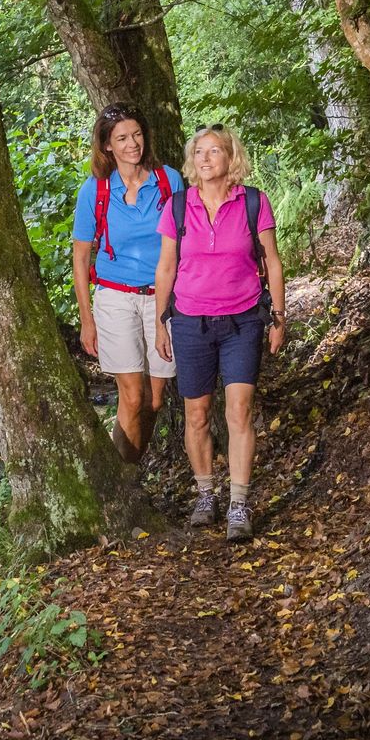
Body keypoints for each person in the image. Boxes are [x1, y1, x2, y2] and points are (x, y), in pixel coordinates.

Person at [154, 124, 286, 542]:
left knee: (239, 411)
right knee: (196, 415)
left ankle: (239, 504)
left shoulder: (253, 202)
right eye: (199, 152)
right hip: (191, 321)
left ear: (231, 157)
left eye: (214, 151)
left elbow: (273, 262)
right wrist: (162, 322)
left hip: (243, 320)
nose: (206, 158)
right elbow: (166, 268)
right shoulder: (178, 206)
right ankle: (206, 493)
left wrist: (279, 317)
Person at [71, 103, 186, 465]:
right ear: (107, 145)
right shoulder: (96, 190)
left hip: (163, 300)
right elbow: (80, 258)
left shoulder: (169, 181)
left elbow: (186, 242)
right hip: (115, 298)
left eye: (136, 135)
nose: (132, 144)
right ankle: (123, 480)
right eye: (122, 138)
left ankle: (124, 469)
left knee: (152, 400)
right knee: (132, 396)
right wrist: (86, 319)